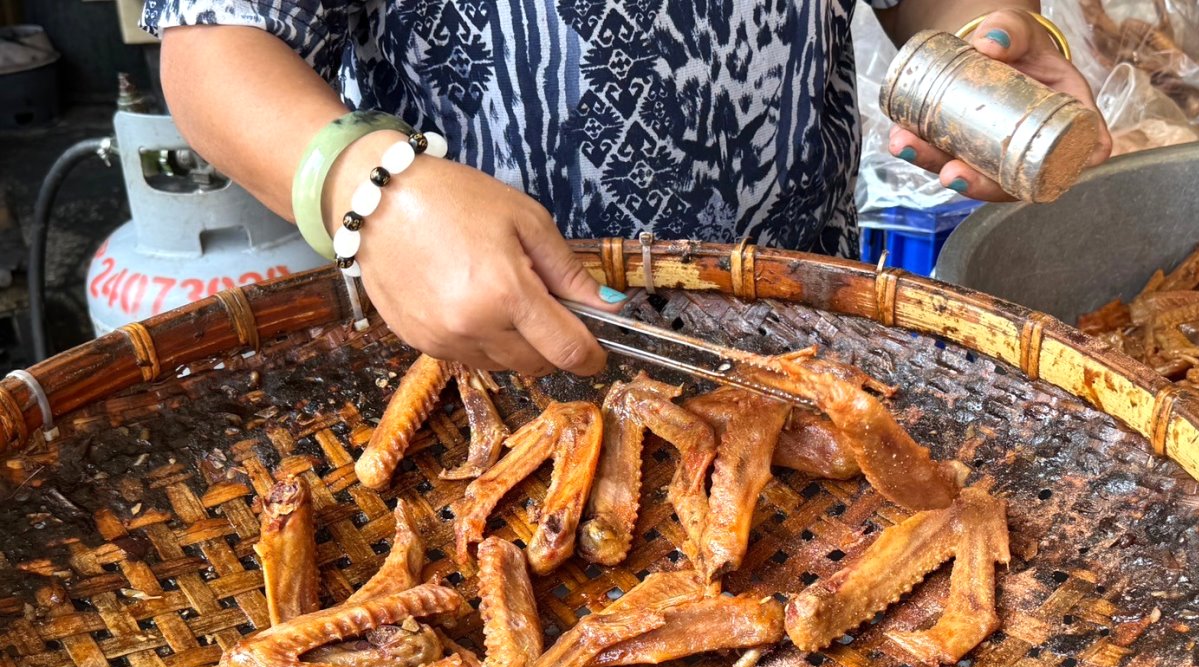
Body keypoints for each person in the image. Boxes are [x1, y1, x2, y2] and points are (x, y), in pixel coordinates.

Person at [143, 2, 1108, 377]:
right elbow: (213, 47)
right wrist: (374, 187)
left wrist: (984, 39)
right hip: (494, 342)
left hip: (802, 326)